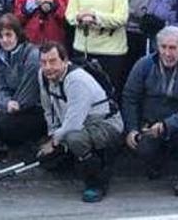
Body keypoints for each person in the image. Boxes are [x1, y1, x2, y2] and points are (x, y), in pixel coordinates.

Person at [123, 26, 178, 197]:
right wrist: (131, 128)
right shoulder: (144, 65)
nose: (168, 53)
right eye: (164, 47)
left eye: (173, 48)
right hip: (150, 121)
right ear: (157, 47)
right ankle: (156, 164)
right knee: (143, 147)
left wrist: (167, 125)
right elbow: (130, 97)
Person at [37, 41, 123, 203]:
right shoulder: (43, 76)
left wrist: (55, 142)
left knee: (73, 138)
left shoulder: (76, 80)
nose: (48, 67)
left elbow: (73, 124)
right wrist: (52, 134)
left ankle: (97, 181)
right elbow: (48, 110)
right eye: (43, 62)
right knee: (48, 154)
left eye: (53, 61)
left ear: (64, 60)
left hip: (106, 124)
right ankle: (78, 159)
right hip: (78, 124)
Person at [65, 0, 129, 90]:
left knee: (109, 93)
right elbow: (70, 15)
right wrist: (80, 18)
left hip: (111, 52)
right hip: (83, 50)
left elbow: (121, 17)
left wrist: (95, 17)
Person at [0, 14, 45, 150]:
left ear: (17, 35)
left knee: (5, 123)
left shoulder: (32, 55)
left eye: (9, 35)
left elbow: (29, 90)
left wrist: (6, 107)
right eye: (1, 36)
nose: (5, 40)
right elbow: (0, 88)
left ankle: (31, 145)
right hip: (12, 104)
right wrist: (6, 102)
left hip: (34, 107)